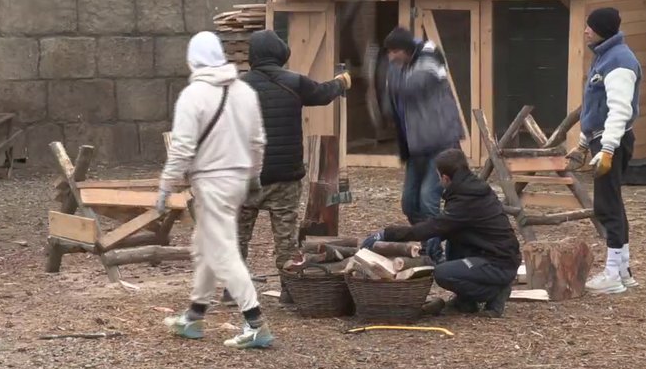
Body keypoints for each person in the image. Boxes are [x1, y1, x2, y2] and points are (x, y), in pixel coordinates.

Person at [156, 31, 273, 349]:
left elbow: (181, 148)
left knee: (222, 251)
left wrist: (166, 185)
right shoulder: (244, 92)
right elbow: (258, 142)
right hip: (237, 181)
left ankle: (255, 323)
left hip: (210, 182)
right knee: (206, 245)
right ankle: (194, 317)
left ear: (194, 58)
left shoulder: (193, 96)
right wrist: (253, 175)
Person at [235, 29, 351, 302]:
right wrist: (341, 82)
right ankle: (290, 290)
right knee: (285, 240)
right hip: (285, 176)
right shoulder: (294, 82)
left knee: (238, 236)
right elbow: (323, 94)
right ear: (280, 54)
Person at [360, 148, 521, 318]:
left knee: (443, 274)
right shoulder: (469, 188)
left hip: (499, 262)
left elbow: (428, 228)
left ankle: (495, 292)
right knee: (451, 240)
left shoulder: (466, 199)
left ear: (445, 178)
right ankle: (466, 302)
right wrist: (437, 236)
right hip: (490, 253)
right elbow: (449, 225)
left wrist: (386, 234)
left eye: (438, 176)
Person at [566, 7, 641, 295]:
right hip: (603, 138)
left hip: (613, 139)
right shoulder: (606, 57)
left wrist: (607, 149)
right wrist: (584, 144)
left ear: (602, 29)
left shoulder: (619, 61)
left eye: (590, 26)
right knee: (613, 203)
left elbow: (619, 110)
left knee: (607, 206)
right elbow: (597, 109)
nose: (586, 30)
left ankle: (612, 274)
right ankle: (623, 270)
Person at [383, 27, 464, 263]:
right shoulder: (402, 65)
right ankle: (428, 241)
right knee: (409, 203)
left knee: (429, 199)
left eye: (394, 52)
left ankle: (434, 254)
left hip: (440, 142)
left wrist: (382, 77)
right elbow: (393, 97)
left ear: (405, 50)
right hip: (416, 145)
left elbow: (412, 87)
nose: (390, 58)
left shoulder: (429, 58)